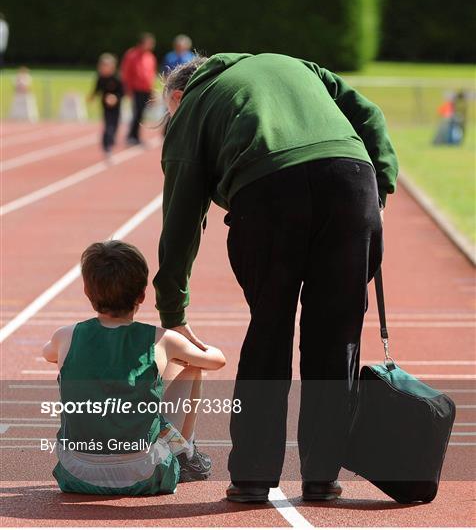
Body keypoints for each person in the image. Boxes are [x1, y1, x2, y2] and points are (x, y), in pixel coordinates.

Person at [153, 53, 399, 503]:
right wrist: (380, 185)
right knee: (336, 337)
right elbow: (369, 114)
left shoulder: (193, 104)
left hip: (268, 194)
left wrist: (173, 309)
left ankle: (251, 478)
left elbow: (182, 215)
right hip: (351, 182)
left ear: (176, 96)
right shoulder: (300, 65)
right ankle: (322, 477)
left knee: (269, 331)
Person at [43, 240, 225, 495]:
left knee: (74, 373)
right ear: (142, 294)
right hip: (143, 474)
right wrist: (189, 345)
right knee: (192, 367)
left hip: (76, 473)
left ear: (87, 291)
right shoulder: (161, 339)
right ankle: (187, 454)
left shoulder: (66, 336)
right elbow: (218, 361)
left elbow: (48, 354)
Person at [121, 33, 157, 145]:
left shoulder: (150, 57)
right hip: (136, 89)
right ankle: (132, 136)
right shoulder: (131, 55)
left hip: (146, 89)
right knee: (137, 112)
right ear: (142, 43)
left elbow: (151, 74)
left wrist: (152, 90)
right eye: (149, 43)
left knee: (141, 113)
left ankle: (135, 135)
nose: (151, 45)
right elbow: (126, 73)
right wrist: (128, 89)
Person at [88, 54, 123, 159]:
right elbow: (97, 89)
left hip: (116, 106)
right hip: (105, 106)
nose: (104, 68)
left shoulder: (117, 78)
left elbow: (122, 92)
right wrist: (92, 97)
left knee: (115, 124)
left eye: (107, 66)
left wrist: (115, 98)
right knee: (108, 125)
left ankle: (110, 140)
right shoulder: (101, 78)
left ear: (112, 67)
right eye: (102, 66)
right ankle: (106, 145)